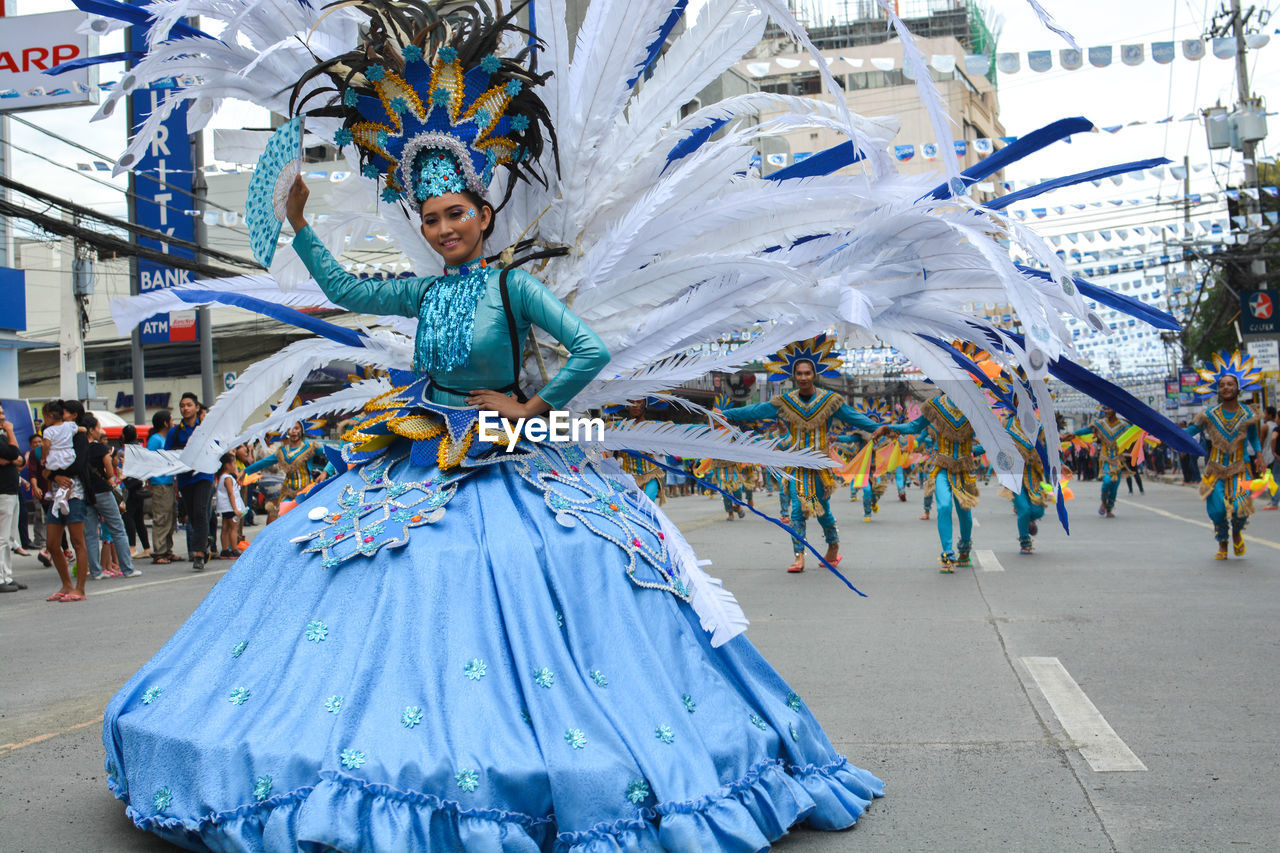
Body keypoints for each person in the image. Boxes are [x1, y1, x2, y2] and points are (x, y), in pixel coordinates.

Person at [97, 9, 888, 848]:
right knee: (338, 558)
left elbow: (588, 348)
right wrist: (297, 225)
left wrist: (533, 410)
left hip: (512, 450)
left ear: (483, 210)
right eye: (429, 216)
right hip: (414, 446)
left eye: (455, 213)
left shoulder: (514, 291)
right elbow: (348, 288)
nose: (443, 228)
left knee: (540, 565)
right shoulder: (423, 291)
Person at [720, 336, 880, 572]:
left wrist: (883, 429)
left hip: (819, 467)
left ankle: (833, 547)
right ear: (793, 375)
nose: (803, 377)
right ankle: (799, 555)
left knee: (823, 511)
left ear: (814, 374)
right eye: (800, 373)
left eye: (807, 373)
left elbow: (856, 418)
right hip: (795, 467)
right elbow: (755, 410)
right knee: (797, 511)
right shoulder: (785, 402)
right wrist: (726, 415)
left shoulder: (830, 401)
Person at [875, 393, 984, 572]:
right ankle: (948, 553)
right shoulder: (935, 406)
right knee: (944, 507)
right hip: (941, 466)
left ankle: (964, 548)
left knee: (965, 514)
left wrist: (973, 452)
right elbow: (914, 426)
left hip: (963, 470)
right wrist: (889, 427)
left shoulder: (975, 405)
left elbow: (991, 439)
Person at [1184, 351, 1265, 559]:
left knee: (1240, 506)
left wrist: (1260, 456)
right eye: (1222, 385)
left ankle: (1237, 531)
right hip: (1215, 469)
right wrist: (1167, 434)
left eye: (1230, 384)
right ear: (1217, 390)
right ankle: (1222, 543)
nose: (1226, 387)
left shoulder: (1248, 414)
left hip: (1240, 468)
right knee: (1218, 510)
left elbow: (1254, 437)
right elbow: (1192, 431)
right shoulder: (1209, 414)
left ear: (1238, 388)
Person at [41, 401, 91, 602]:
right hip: (56, 494)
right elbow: (43, 465)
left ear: (74, 416)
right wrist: (54, 477)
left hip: (74, 492)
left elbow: (78, 465)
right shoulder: (52, 432)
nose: (63, 417)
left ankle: (80, 588)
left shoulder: (78, 436)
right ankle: (66, 584)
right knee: (52, 543)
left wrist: (53, 473)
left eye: (66, 413)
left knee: (78, 541)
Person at [81, 415, 139, 580]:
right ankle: (128, 569)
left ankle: (96, 571)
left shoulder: (79, 448)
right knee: (118, 529)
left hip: (86, 493)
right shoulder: (100, 448)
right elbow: (109, 472)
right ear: (91, 430)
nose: (100, 431)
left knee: (91, 534)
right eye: (98, 428)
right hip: (102, 492)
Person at [166, 393, 213, 572]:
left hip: (204, 475)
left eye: (188, 405)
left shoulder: (206, 429)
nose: (185, 408)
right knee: (192, 516)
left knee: (201, 511)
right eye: (182, 405)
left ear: (196, 408)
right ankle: (205, 539)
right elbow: (167, 454)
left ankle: (199, 554)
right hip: (185, 478)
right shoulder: (174, 432)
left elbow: (215, 448)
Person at [242, 422, 322, 520]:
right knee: (283, 517)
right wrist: (245, 471)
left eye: (296, 428)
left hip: (306, 492)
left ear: (302, 430)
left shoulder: (310, 447)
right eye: (290, 428)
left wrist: (326, 472)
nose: (293, 431)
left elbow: (330, 453)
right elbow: (264, 462)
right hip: (287, 492)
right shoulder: (282, 451)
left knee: (304, 519)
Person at [1066, 407, 1131, 518]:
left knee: (1115, 486)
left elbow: (1134, 433)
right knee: (1107, 481)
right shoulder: (1100, 424)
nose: (1106, 411)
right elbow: (1087, 430)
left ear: (1114, 410)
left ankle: (1109, 508)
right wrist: (1074, 434)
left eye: (1109, 409)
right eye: (1105, 409)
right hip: (1105, 459)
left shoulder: (1123, 425)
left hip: (1118, 461)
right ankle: (1103, 501)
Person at [146, 410, 178, 563]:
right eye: (171, 420)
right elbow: (150, 461)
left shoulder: (165, 438)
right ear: (165, 423)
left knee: (171, 517)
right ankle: (159, 552)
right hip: (159, 483)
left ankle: (167, 549)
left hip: (168, 482)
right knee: (161, 518)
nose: (173, 423)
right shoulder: (155, 439)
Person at [0, 410, 24, 592]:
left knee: (9, 538)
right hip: (3, 494)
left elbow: (19, 458)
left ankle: (6, 575)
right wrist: (11, 432)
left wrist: (11, 459)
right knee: (2, 538)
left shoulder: (2, 437)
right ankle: (1, 578)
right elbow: (13, 452)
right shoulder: (5, 436)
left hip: (11, 491)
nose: (3, 417)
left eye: (3, 413)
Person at [119, 424, 151, 560]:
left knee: (128, 517)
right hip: (139, 485)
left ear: (124, 436)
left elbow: (125, 468)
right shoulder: (140, 449)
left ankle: (132, 548)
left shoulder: (125, 451)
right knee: (139, 519)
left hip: (129, 486)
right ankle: (147, 548)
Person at [214, 452, 245, 560]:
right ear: (227, 465)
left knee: (225, 528)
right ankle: (234, 548)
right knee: (233, 528)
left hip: (225, 507)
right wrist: (235, 508)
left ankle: (225, 549)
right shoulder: (227, 478)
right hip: (230, 507)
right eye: (234, 463)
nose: (235, 466)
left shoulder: (222, 477)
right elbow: (231, 494)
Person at [1262, 406, 1278, 511]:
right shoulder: (1276, 426)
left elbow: (1260, 441)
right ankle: (1273, 499)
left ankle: (1273, 500)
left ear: (1270, 415)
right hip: (1275, 456)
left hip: (1267, 455)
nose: (1264, 416)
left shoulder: (1265, 427)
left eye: (1265, 413)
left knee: (1268, 478)